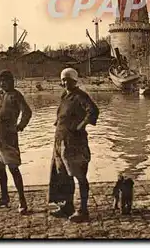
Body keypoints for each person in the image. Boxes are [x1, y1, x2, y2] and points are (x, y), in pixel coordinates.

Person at [49, 68, 99, 222]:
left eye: (68, 80)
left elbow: (93, 111)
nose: (65, 83)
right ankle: (67, 206)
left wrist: (81, 126)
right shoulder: (65, 95)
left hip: (75, 143)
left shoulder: (80, 96)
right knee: (63, 176)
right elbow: (65, 114)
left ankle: (83, 210)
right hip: (61, 141)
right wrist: (59, 122)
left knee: (79, 176)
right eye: (63, 80)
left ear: (75, 81)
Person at [0, 70, 32, 214]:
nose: (3, 83)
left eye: (6, 81)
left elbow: (27, 112)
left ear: (12, 82)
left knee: (13, 168)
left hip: (8, 138)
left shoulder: (16, 95)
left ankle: (22, 201)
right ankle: (4, 197)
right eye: (1, 81)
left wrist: (20, 126)